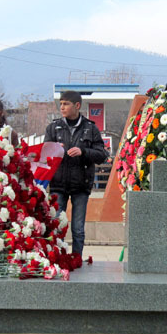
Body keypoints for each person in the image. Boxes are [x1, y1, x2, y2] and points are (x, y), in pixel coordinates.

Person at [44, 91, 106, 256]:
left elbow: (101, 155)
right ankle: (57, 257)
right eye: (61, 103)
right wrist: (56, 150)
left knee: (78, 227)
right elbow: (44, 154)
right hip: (58, 184)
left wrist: (83, 151)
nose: (62, 107)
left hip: (81, 185)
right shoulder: (53, 127)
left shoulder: (90, 128)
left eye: (66, 104)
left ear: (77, 106)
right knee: (57, 225)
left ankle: (77, 259)